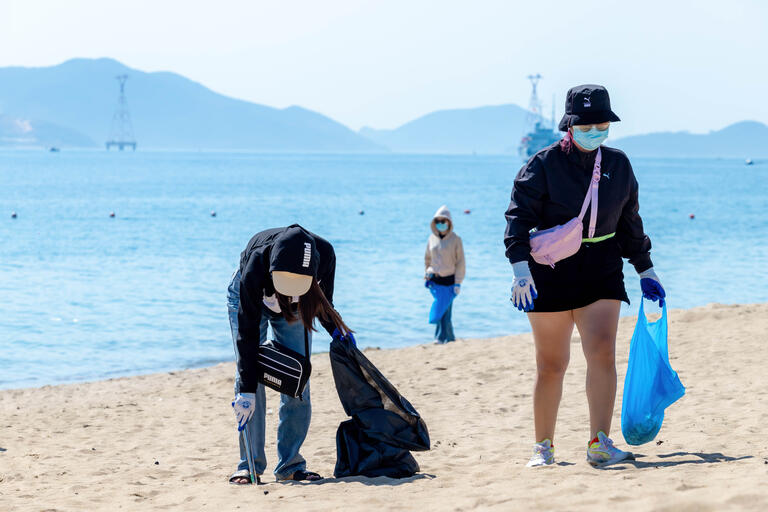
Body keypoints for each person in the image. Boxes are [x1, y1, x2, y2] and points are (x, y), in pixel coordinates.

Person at [504, 85, 666, 467]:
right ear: (570, 125)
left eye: (602, 123)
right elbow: (518, 218)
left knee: (602, 353)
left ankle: (599, 442)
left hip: (601, 267)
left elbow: (629, 222)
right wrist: (520, 269)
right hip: (550, 271)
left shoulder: (619, 164)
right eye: (587, 124)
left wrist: (646, 269)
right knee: (551, 363)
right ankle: (543, 447)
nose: (595, 130)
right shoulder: (541, 165)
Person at [227, 224, 353, 484]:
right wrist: (246, 391)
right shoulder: (256, 261)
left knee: (298, 381)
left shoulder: (325, 255)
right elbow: (247, 336)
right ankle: (249, 465)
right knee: (249, 383)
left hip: (297, 309)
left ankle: (290, 464)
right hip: (251, 302)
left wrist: (337, 330)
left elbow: (324, 301)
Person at [424, 205, 465, 343]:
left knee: (445, 311)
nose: (440, 224)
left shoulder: (456, 239)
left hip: (450, 281)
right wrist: (427, 272)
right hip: (435, 281)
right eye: (438, 221)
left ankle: (442, 338)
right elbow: (427, 259)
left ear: (449, 222)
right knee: (441, 310)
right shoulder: (431, 238)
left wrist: (458, 282)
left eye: (443, 221)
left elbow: (460, 262)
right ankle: (447, 338)